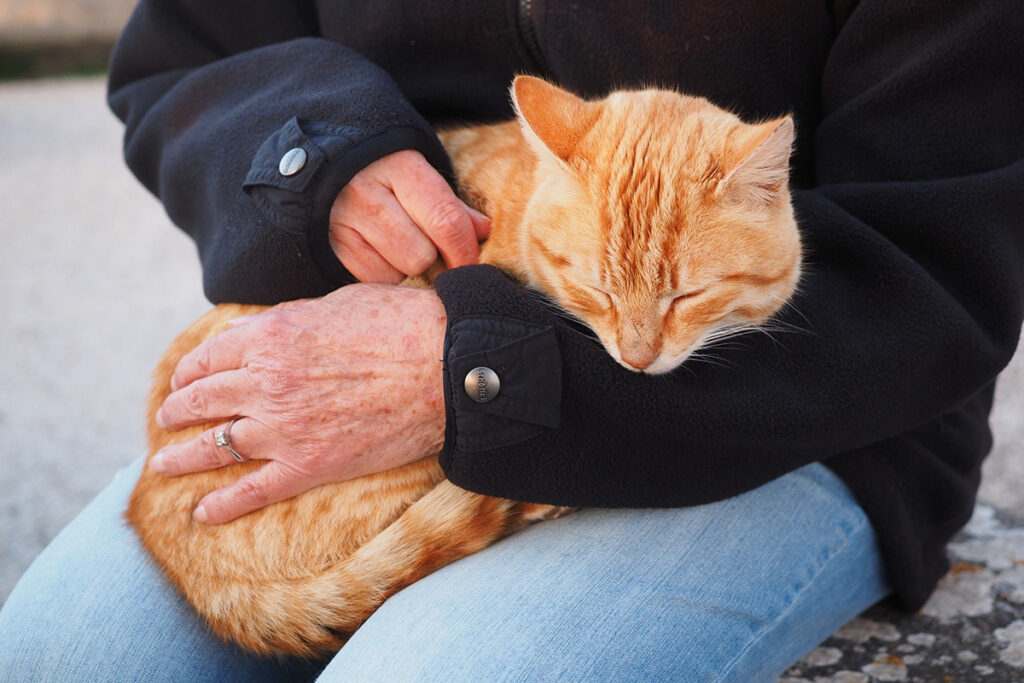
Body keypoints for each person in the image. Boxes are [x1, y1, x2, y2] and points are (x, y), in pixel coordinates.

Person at [2, 1, 1022, 680]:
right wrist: (316, 152)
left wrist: (479, 371)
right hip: (395, 306)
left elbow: (933, 256)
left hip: (795, 395)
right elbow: (183, 52)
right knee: (65, 649)